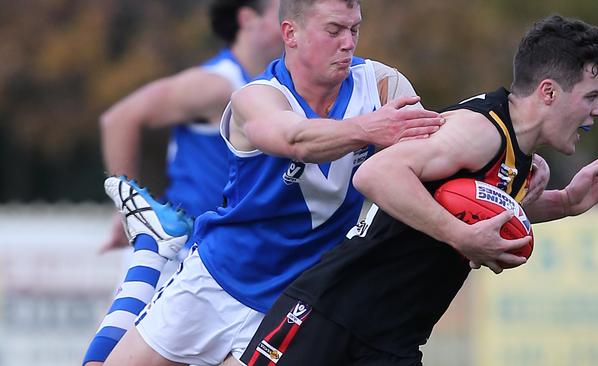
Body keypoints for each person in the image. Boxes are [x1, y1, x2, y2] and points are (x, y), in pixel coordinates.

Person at [239, 14, 598, 366]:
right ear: (549, 93)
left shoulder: (514, 149)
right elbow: (375, 174)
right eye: (591, 96)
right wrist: (461, 237)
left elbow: (475, 205)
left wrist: (567, 201)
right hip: (331, 318)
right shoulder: (479, 131)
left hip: (394, 342)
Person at [100, 0, 450, 365]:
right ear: (290, 33)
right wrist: (368, 129)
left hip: (297, 297)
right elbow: (296, 140)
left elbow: (432, 158)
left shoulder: (381, 86)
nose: (348, 42)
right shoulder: (253, 95)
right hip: (219, 277)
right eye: (334, 31)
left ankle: (153, 243)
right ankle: (150, 252)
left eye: (354, 29)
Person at [83, 0, 283, 365]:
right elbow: (120, 118)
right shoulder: (218, 83)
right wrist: (127, 207)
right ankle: (150, 242)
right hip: (180, 255)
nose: (292, 19)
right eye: (280, 10)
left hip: (224, 266)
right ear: (247, 18)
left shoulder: (273, 88)